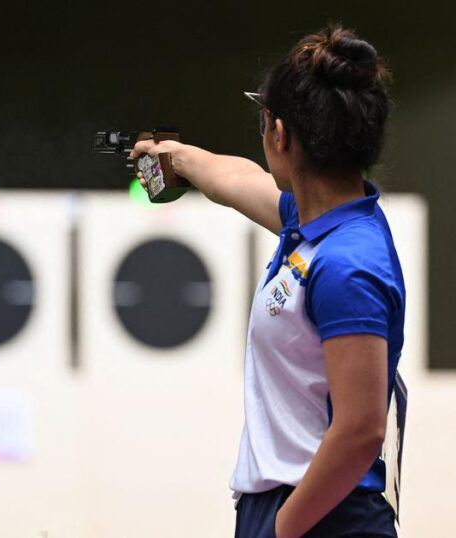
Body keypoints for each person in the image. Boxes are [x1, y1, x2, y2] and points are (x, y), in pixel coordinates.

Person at [130, 24, 404, 538]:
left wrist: (282, 530)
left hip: (323, 516)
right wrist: (176, 156)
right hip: (299, 508)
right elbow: (238, 181)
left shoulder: (348, 263)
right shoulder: (321, 223)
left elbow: (360, 430)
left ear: (281, 135)